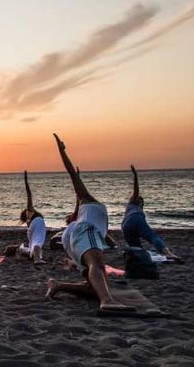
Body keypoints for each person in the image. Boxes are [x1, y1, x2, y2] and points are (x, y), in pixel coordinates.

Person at [44, 133, 133, 312]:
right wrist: (62, 152)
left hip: (76, 241)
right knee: (97, 265)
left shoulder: (83, 213)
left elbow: (104, 235)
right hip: (84, 233)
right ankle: (107, 301)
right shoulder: (88, 201)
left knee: (95, 287)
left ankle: (58, 285)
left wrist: (108, 241)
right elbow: (72, 176)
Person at [121, 165, 180, 260]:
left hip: (124, 226)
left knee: (136, 246)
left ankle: (135, 255)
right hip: (135, 219)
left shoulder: (129, 207)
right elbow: (136, 190)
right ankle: (168, 253)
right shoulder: (135, 202)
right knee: (152, 236)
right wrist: (135, 175)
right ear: (140, 202)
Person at [20, 170, 47, 264]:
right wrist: (26, 180)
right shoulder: (30, 210)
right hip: (38, 223)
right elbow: (29, 194)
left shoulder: (28, 220)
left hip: (31, 229)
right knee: (38, 241)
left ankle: (28, 253)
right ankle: (37, 259)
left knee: (33, 245)